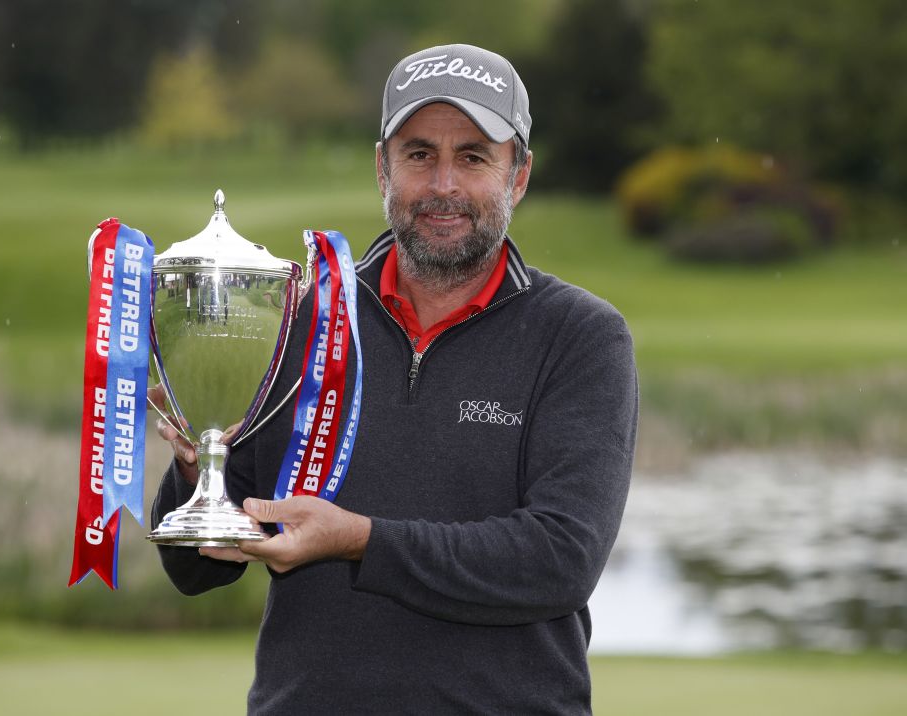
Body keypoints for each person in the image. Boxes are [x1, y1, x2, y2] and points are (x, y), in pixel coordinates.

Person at [151, 43, 637, 714]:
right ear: (383, 168)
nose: (442, 186)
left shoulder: (579, 336)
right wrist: (193, 470)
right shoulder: (299, 317)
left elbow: (558, 560)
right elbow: (194, 569)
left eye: (472, 157)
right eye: (418, 155)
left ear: (518, 176)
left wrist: (361, 541)